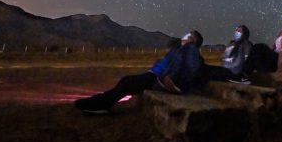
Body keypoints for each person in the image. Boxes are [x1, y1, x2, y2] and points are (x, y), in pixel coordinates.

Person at [74, 30, 205, 114]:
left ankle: (101, 104)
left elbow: (193, 67)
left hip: (160, 79)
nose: (184, 36)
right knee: (126, 80)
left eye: (188, 35)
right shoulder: (180, 49)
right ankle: (104, 101)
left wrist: (172, 80)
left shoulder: (191, 51)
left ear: (193, 41)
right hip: (154, 75)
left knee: (128, 84)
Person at [242, 10, 282, 74]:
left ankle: (244, 74)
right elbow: (275, 48)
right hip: (275, 58)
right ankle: (252, 74)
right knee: (257, 52)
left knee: (260, 47)